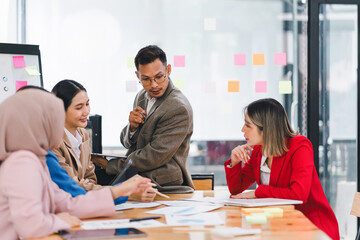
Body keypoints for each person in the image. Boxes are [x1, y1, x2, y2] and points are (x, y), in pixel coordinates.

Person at [0, 89, 153, 239]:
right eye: (54, 118)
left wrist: (120, 191)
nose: (59, 125)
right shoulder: (22, 162)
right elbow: (31, 226)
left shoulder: (35, 159)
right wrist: (60, 220)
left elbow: (68, 204)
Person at [224, 98, 339, 240]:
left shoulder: (300, 146)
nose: (242, 130)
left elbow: (298, 194)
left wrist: (258, 192)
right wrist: (234, 163)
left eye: (248, 125)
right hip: (279, 222)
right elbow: (236, 190)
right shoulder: (258, 151)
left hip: (310, 224)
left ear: (265, 128)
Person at [98, 45, 194, 193]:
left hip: (165, 185)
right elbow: (127, 143)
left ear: (168, 70)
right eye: (146, 79)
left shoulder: (178, 107)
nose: (154, 85)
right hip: (136, 178)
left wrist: (109, 165)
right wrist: (132, 128)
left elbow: (153, 156)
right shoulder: (142, 96)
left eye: (159, 77)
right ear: (138, 76)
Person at [51, 80, 156, 202]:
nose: (86, 111)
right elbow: (71, 187)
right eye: (79, 107)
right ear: (60, 110)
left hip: (85, 203)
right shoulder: (52, 142)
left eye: (87, 104)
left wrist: (85, 185)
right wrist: (123, 193)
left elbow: (90, 177)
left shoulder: (83, 135)